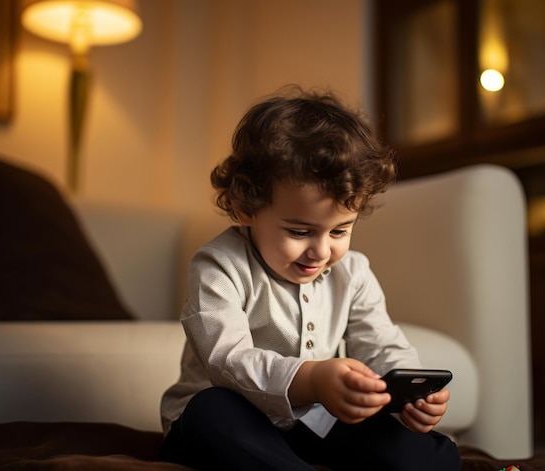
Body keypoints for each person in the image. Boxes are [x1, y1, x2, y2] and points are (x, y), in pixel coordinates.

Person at [160, 87, 460, 470]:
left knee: (432, 453)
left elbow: (381, 343)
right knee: (210, 410)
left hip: (315, 424)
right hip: (234, 420)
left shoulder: (353, 272)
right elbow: (227, 361)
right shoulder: (218, 266)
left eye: (339, 231)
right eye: (300, 232)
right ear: (244, 207)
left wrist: (410, 396)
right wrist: (311, 378)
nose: (321, 251)